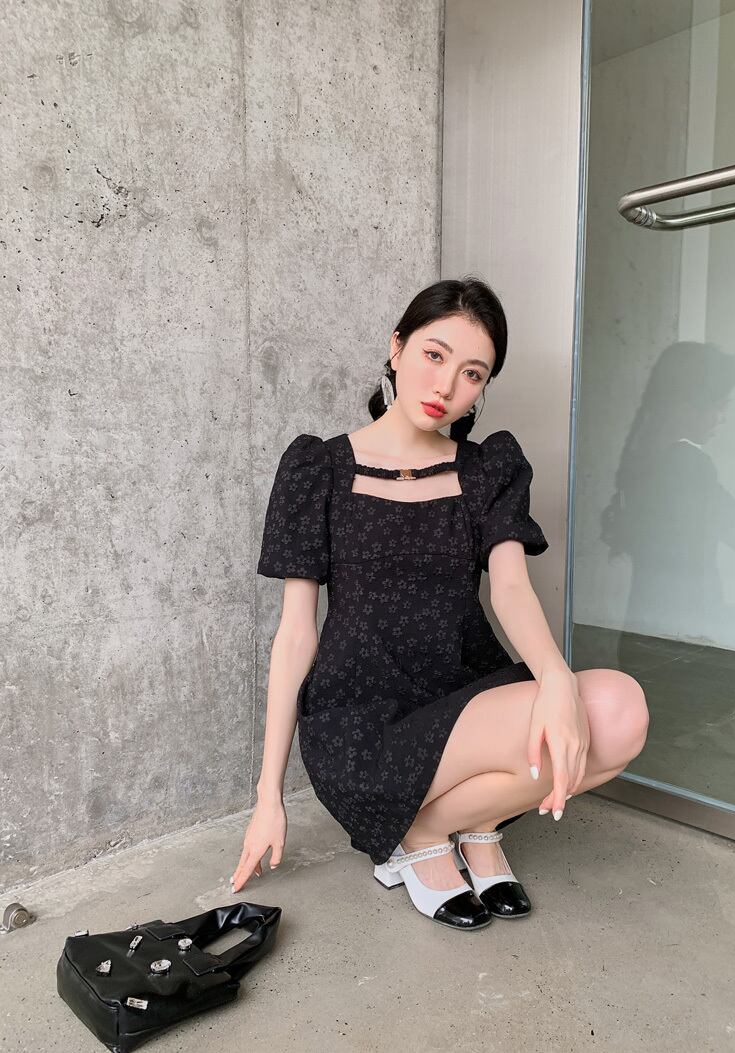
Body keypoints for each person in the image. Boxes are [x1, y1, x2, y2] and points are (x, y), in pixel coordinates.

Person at [232, 277, 649, 930]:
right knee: (582, 721)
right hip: (362, 719)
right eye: (434, 354)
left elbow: (511, 588)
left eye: (472, 372)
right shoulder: (318, 468)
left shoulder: (488, 469)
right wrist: (268, 796)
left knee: (621, 713)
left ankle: (446, 826)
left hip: (467, 693)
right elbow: (295, 636)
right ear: (396, 347)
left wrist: (556, 679)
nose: (447, 385)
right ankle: (432, 832)